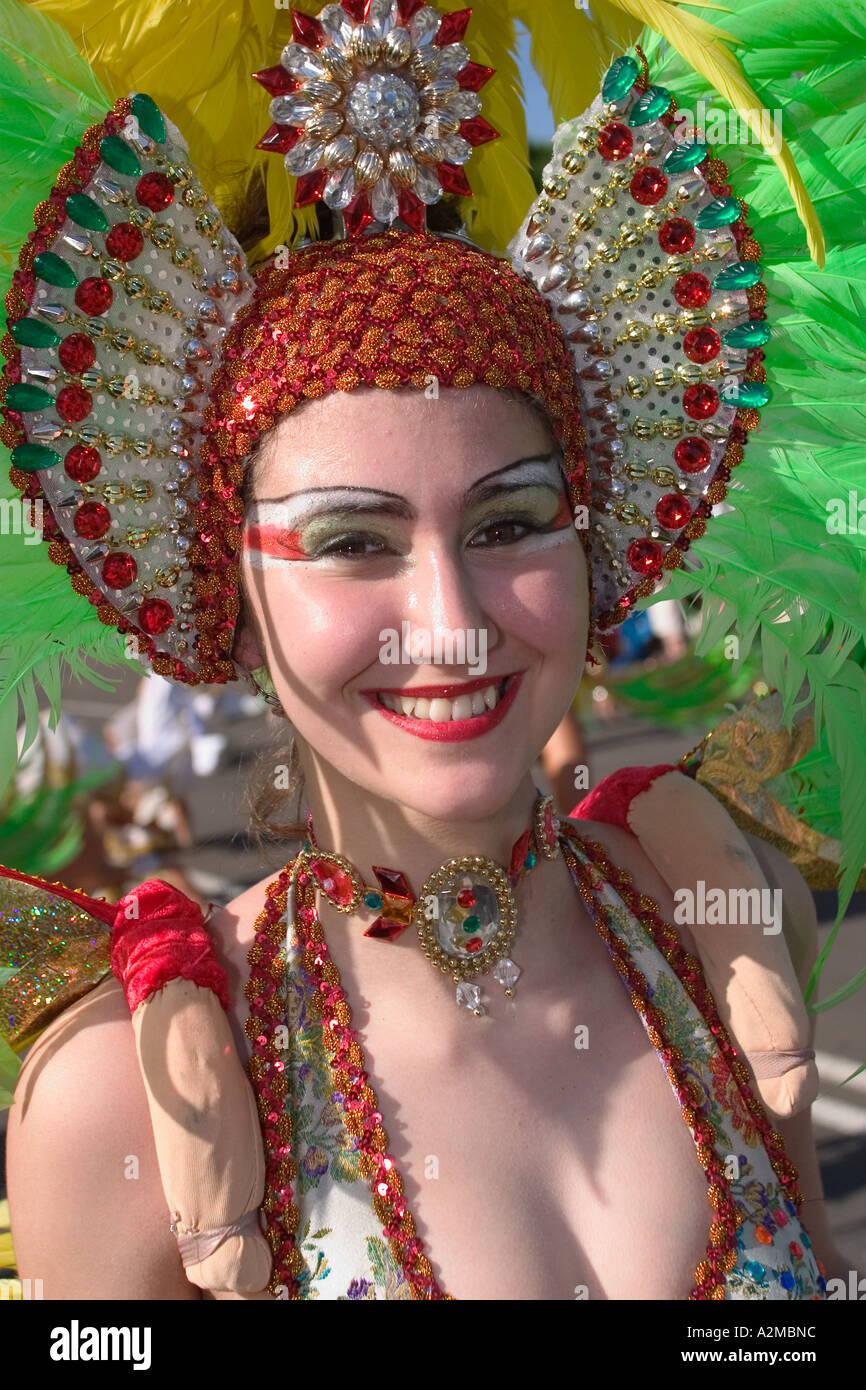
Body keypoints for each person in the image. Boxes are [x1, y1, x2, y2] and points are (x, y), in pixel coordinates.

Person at [1, 0, 863, 1301]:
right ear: (224, 580)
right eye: (351, 541)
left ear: (596, 544)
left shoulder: (725, 918)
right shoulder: (130, 1101)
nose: (453, 621)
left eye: (510, 521)